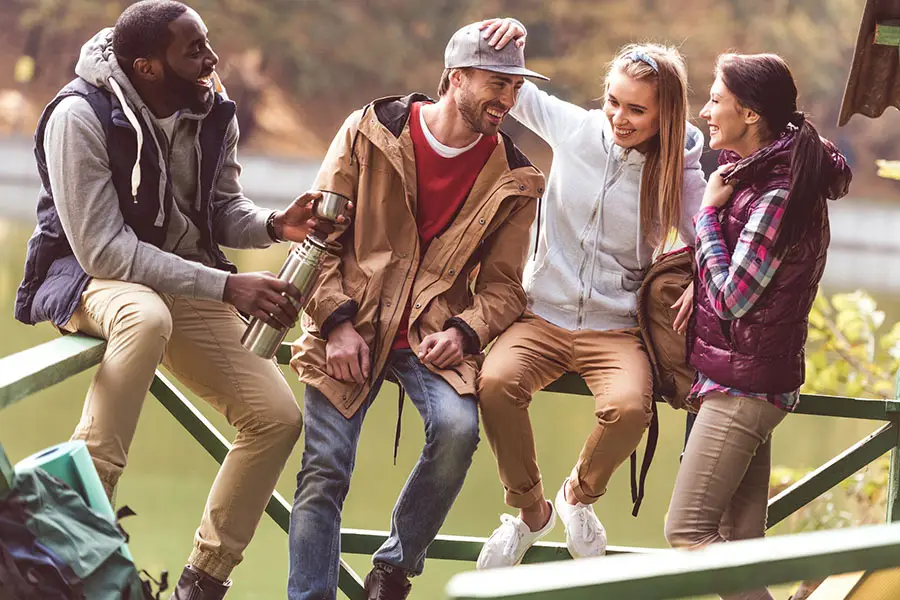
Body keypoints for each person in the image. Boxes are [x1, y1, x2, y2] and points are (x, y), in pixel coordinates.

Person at [13, 2, 337, 598]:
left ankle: (203, 581)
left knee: (276, 418)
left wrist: (272, 225)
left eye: (207, 43)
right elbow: (104, 252)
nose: (212, 59)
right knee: (145, 315)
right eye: (194, 50)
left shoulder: (210, 108)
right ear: (149, 67)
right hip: (88, 278)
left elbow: (219, 211)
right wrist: (227, 286)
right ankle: (77, 533)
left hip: (181, 277)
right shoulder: (79, 116)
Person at [287, 21, 546, 600]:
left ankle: (393, 572)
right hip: (351, 323)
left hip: (433, 334)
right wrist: (334, 323)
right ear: (456, 77)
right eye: (496, 83)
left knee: (457, 431)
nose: (507, 98)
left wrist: (466, 330)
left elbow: (506, 288)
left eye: (515, 87)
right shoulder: (369, 131)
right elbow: (317, 239)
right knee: (324, 470)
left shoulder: (517, 177)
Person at [473, 19, 707, 568]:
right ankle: (530, 511)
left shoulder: (676, 171)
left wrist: (699, 277)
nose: (619, 119)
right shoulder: (574, 129)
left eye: (636, 110)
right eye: (613, 102)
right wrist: (508, 34)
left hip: (616, 326)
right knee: (495, 383)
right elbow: (499, 76)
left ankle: (577, 498)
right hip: (539, 316)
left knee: (629, 409)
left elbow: (710, 242)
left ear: (664, 115)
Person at [664, 53, 851, 600]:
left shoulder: (776, 191)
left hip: (742, 389)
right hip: (744, 378)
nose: (704, 111)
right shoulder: (760, 174)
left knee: (689, 532)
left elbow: (734, 297)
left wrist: (705, 220)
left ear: (748, 114)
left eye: (715, 100)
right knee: (737, 542)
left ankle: (818, 564)